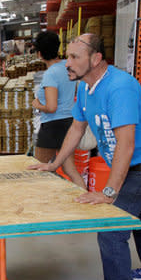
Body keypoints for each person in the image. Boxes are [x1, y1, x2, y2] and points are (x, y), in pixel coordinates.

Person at [29, 33, 141, 280]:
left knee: (110, 229)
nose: (67, 63)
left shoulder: (120, 87)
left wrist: (108, 193)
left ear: (95, 59)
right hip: (135, 168)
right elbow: (76, 129)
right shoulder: (85, 88)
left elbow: (126, 144)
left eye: (74, 58)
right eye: (67, 56)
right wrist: (54, 163)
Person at [31, 31, 84, 188]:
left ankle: (41, 205)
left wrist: (37, 105)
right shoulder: (67, 68)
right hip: (69, 123)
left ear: (40, 54)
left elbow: (51, 107)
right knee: (70, 169)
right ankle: (86, 200)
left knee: (37, 167)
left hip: (52, 126)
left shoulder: (50, 74)